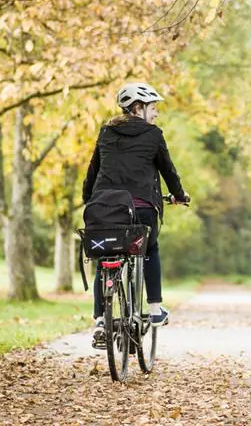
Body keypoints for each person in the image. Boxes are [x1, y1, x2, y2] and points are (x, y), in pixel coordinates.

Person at [82, 82, 190, 348]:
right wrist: (179, 194)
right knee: (150, 250)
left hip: (104, 208)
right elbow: (168, 170)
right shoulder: (153, 135)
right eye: (153, 108)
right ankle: (154, 310)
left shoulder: (107, 132)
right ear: (138, 108)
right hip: (141, 209)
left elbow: (94, 169)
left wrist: (89, 199)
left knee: (106, 255)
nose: (155, 114)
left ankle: (99, 321)